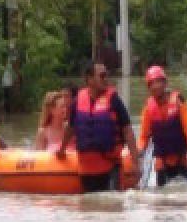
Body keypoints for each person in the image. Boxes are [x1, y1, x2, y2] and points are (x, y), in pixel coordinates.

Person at [58, 61, 141, 193]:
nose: (106, 79)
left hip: (110, 168)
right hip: (86, 170)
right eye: (102, 76)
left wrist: (136, 163)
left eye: (106, 75)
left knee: (111, 206)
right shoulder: (78, 101)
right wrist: (62, 149)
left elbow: (128, 132)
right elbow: (70, 128)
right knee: (91, 208)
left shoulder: (114, 100)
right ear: (89, 79)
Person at [137, 65, 187, 187]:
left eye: (158, 82)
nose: (155, 86)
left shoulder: (178, 101)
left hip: (181, 157)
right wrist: (138, 154)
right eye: (151, 84)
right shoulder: (148, 108)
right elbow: (144, 137)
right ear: (149, 88)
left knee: (183, 198)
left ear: (165, 83)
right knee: (161, 200)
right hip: (162, 160)